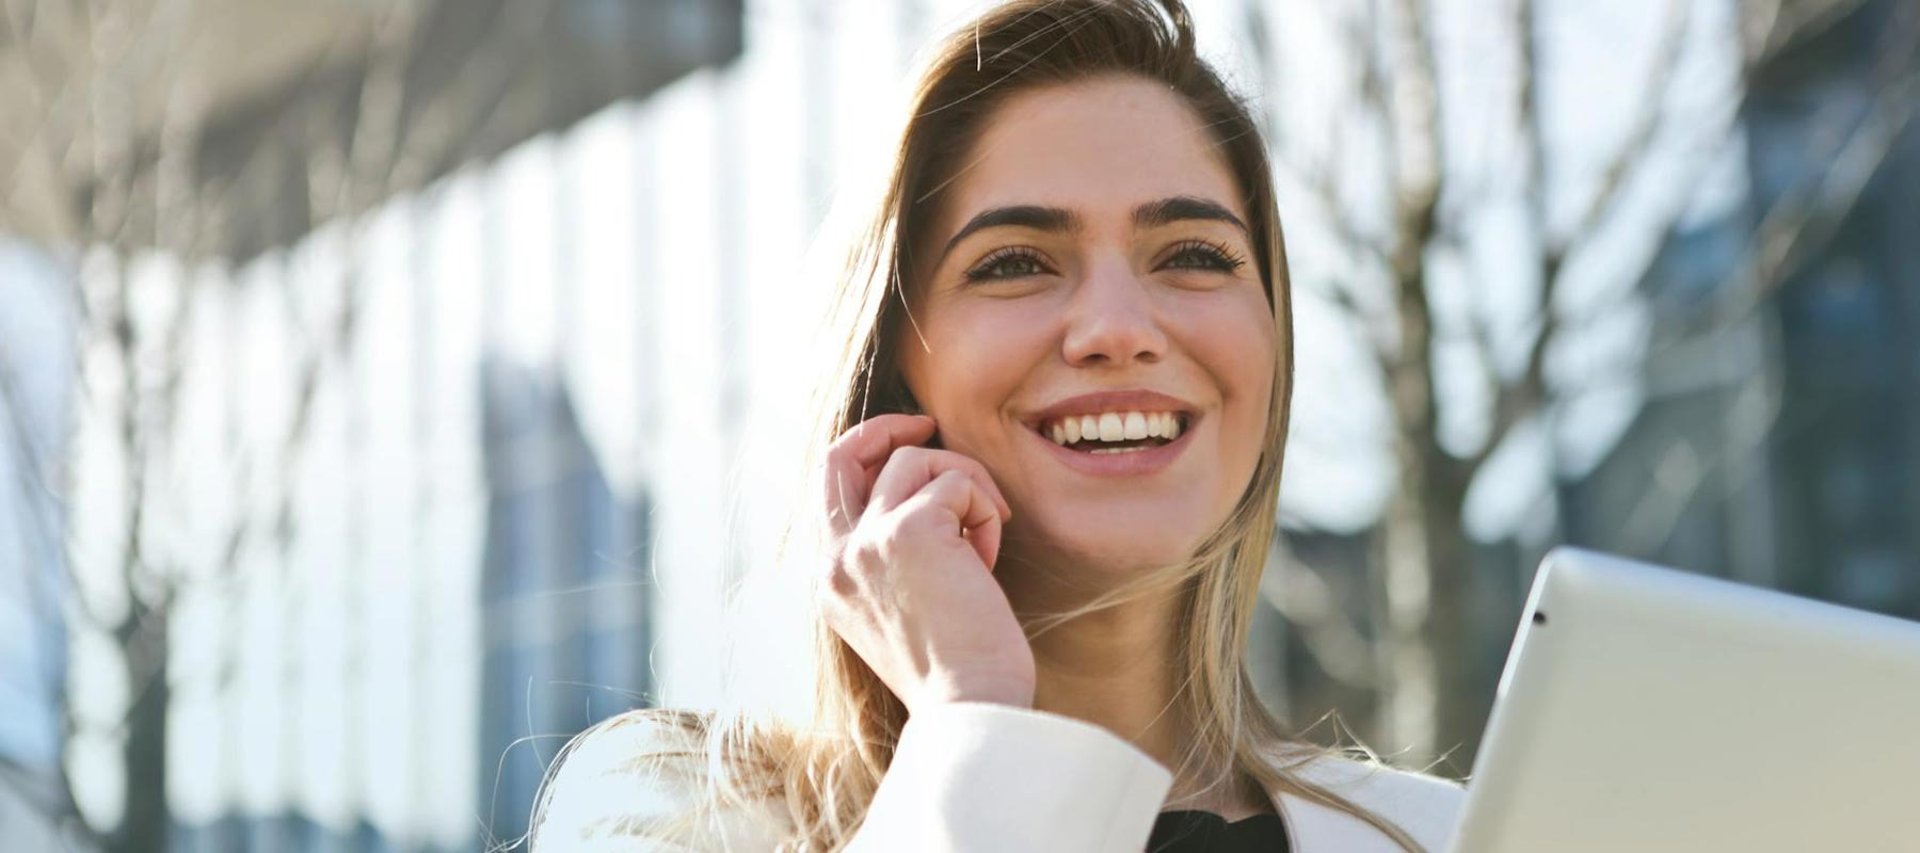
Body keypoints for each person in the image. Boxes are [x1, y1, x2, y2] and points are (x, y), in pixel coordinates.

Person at [532, 1, 1464, 850]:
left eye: (1191, 254)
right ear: (893, 365)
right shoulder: (669, 820)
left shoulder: (1452, 835)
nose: (1119, 330)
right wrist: (973, 722)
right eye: (1016, 261)